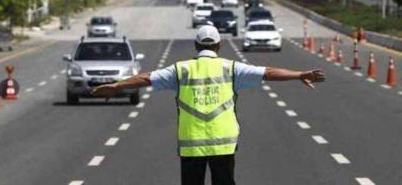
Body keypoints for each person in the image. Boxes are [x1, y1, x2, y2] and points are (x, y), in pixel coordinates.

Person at [92, 25, 325, 185]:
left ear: (195, 45)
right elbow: (268, 72)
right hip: (223, 145)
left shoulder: (180, 70)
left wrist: (116, 86)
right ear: (219, 45)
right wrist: (299, 74)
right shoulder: (232, 68)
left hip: (191, 146)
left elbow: (145, 78)